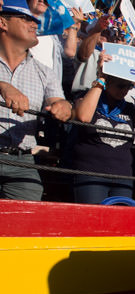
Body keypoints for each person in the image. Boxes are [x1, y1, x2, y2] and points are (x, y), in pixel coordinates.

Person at [0, 0, 72, 201]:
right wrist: (3, 85)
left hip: (22, 161)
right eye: (26, 18)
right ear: (3, 23)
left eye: (34, 20)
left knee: (28, 218)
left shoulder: (45, 72)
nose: (35, 24)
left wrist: (64, 107)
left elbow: (62, 103)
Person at [72, 52, 135, 204]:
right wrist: (101, 78)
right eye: (120, 85)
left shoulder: (129, 108)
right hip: (91, 173)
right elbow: (83, 117)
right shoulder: (87, 97)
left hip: (122, 176)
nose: (125, 91)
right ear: (108, 82)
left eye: (128, 86)